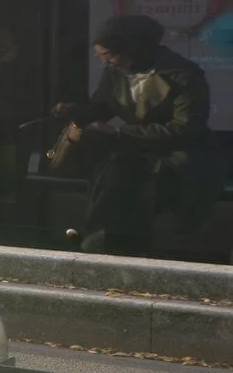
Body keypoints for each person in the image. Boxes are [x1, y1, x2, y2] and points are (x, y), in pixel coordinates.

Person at [51, 13, 222, 254]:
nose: (105, 62)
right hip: (137, 149)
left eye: (108, 55)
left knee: (138, 179)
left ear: (132, 49)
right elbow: (103, 107)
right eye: (100, 56)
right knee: (116, 170)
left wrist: (120, 132)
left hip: (182, 153)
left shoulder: (184, 76)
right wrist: (75, 111)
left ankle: (126, 243)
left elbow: (184, 129)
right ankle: (108, 237)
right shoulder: (116, 72)